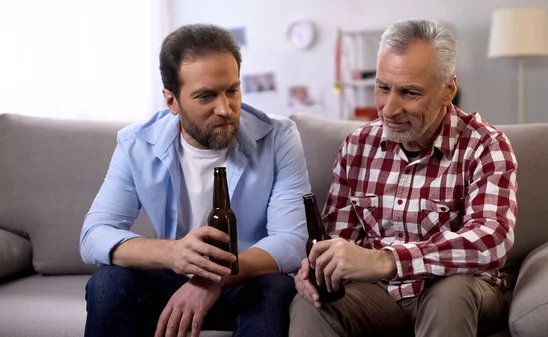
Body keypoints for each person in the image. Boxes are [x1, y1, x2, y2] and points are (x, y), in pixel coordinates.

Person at [290, 19, 518, 337]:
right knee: (311, 303)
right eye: (383, 88)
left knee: (451, 293)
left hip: (460, 291)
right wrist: (319, 267)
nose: (389, 108)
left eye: (409, 93)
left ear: (448, 89)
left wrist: (388, 260)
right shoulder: (357, 147)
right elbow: (337, 239)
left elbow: (490, 240)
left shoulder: (485, 145)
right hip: (378, 296)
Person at [80, 23, 310, 337]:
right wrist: (171, 253)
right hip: (173, 277)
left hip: (246, 280)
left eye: (232, 90)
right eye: (205, 96)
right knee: (108, 283)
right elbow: (93, 234)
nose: (225, 109)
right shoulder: (136, 144)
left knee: (274, 288)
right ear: (171, 101)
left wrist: (210, 279)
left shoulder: (278, 137)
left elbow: (292, 240)